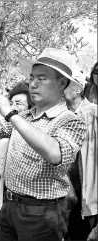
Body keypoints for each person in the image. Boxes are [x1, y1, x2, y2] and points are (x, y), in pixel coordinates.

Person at [0, 48, 87, 241]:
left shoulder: (71, 121)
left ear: (62, 83)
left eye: (42, 78)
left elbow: (55, 154)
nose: (33, 84)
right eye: (32, 77)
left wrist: (10, 114)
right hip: (10, 205)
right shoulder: (24, 116)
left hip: (43, 213)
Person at [0, 81, 34, 238]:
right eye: (11, 103)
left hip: (31, 205)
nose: (13, 107)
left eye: (19, 103)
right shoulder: (12, 126)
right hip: (8, 196)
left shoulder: (35, 129)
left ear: (31, 108)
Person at [63, 71, 98, 240]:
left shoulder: (93, 113)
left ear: (77, 89)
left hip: (89, 190)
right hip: (63, 190)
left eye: (66, 84)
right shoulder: (59, 114)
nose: (61, 87)